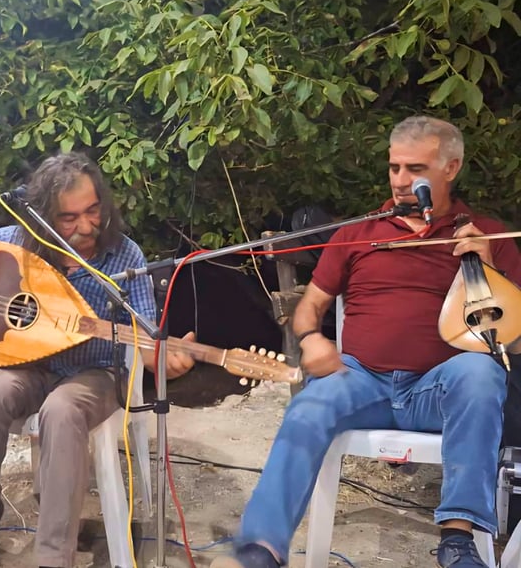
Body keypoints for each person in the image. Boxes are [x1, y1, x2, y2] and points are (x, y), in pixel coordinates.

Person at [212, 116, 521, 568]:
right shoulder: (358, 236)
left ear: (450, 168)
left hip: (438, 388)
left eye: (414, 169)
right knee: (309, 405)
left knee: (480, 373)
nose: (400, 181)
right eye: (394, 168)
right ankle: (263, 547)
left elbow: (511, 337)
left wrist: (487, 265)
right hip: (361, 379)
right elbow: (310, 306)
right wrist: (310, 338)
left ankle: (457, 538)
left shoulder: (486, 234)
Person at [0, 151, 196, 568]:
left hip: (96, 372)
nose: (86, 226)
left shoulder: (124, 255)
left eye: (93, 211)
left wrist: (161, 358)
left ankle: (54, 558)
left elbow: (143, 338)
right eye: (69, 218)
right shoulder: (13, 242)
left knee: (62, 410)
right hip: (28, 365)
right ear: (44, 217)